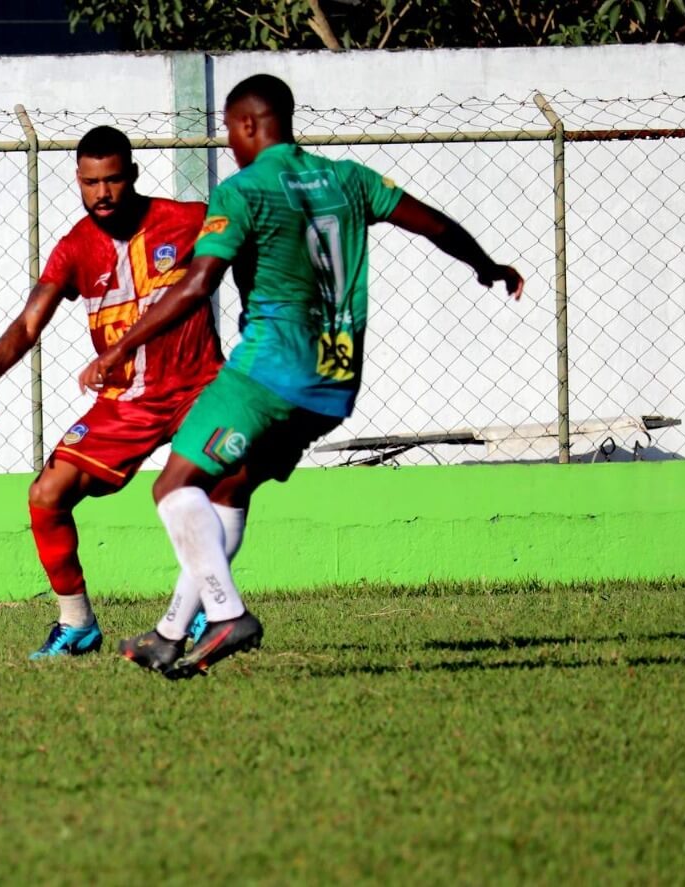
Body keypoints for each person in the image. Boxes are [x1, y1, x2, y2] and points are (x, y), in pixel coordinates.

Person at [81, 74, 524, 678]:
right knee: (230, 487)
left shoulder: (243, 191)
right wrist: (487, 265)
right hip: (333, 382)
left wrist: (123, 346)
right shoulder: (350, 179)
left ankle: (226, 613)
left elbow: (198, 283)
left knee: (174, 488)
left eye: (228, 131)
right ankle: (168, 633)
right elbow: (434, 223)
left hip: (267, 372)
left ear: (244, 126)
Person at [0, 126, 223, 659]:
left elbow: (253, 234)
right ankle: (76, 624)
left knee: (192, 492)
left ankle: (203, 612)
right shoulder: (77, 246)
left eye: (114, 180)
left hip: (199, 387)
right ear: (78, 180)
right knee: (45, 496)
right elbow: (30, 323)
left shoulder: (187, 219)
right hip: (123, 403)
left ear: (133, 175)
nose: (103, 193)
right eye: (92, 182)